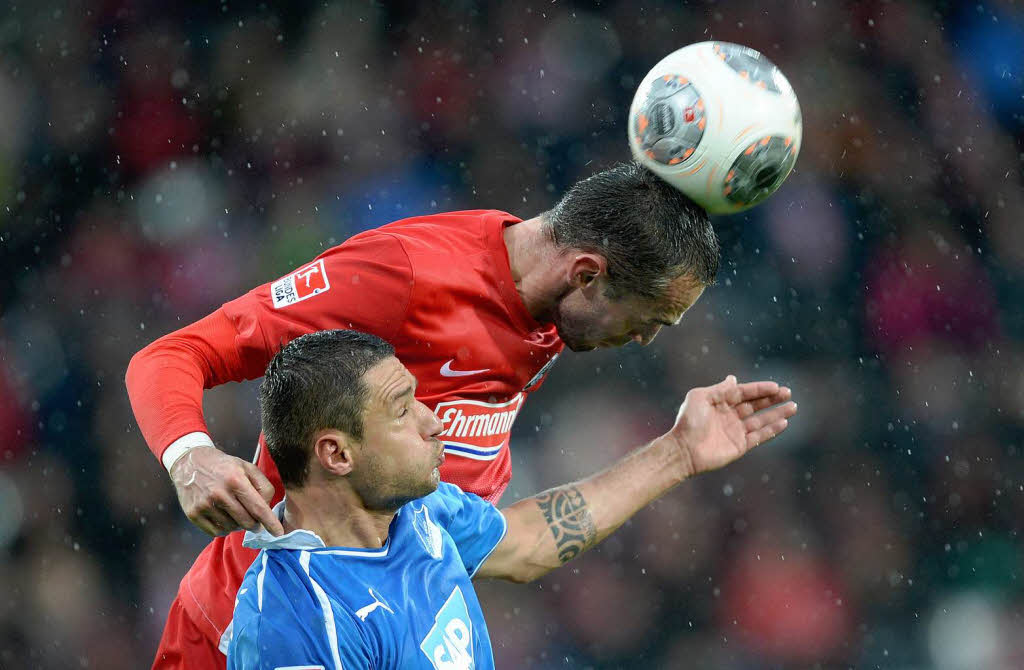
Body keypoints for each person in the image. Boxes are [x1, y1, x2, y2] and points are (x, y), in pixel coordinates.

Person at [125, 162, 721, 668]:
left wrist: (680, 451)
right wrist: (189, 454)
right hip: (277, 616)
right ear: (586, 275)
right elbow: (177, 354)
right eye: (649, 319)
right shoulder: (405, 277)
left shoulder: (440, 519)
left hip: (408, 587)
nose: (645, 340)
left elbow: (524, 543)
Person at [226, 329, 796, 669]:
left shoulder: (418, 513)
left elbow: (530, 541)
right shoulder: (295, 618)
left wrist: (680, 453)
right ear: (336, 454)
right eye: (402, 410)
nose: (430, 421)